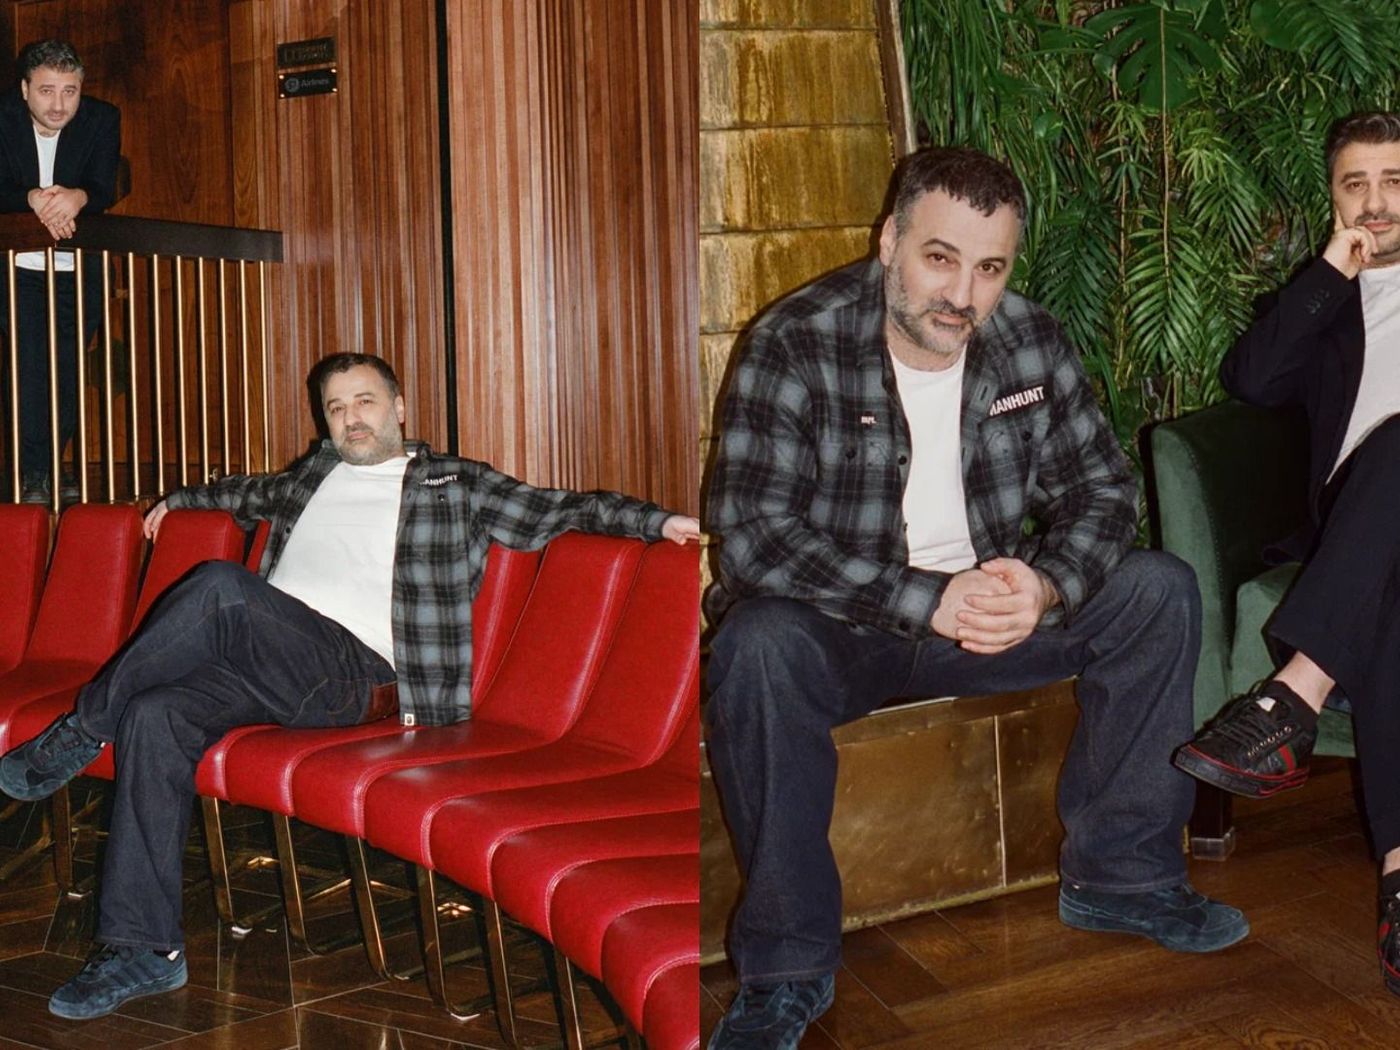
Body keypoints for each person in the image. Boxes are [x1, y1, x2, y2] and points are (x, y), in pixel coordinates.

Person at [703, 145, 1246, 1049]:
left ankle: (1123, 879)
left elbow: (1104, 491)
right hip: (850, 629)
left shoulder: (1029, 339)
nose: (962, 294)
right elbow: (754, 537)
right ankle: (786, 971)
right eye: (940, 258)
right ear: (888, 242)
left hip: (993, 614)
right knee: (757, 644)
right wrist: (924, 599)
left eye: (990, 268)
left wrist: (1044, 582)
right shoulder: (796, 341)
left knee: (1158, 589)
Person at [0, 352, 700, 1020]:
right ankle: (143, 949)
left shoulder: (453, 484)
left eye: (365, 401)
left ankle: (81, 728)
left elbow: (563, 508)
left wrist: (659, 521)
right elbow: (240, 493)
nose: (350, 418)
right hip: (271, 668)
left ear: (400, 407)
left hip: (358, 678)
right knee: (156, 714)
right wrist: (176, 499)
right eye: (336, 408)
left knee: (218, 586)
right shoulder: (311, 477)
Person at [1173, 111, 1400, 999]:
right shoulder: (1324, 302)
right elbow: (1250, 380)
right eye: (1356, 184)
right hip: (1363, 526)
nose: (1377, 202)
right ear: (1333, 198)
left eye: (1395, 181)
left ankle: (1291, 697)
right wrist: (1332, 271)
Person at [0, 39, 120, 504]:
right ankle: (34, 473)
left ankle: (53, 464)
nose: (58, 105)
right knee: (30, 370)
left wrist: (78, 197)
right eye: (46, 91)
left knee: (68, 372)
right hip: (19, 269)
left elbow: (103, 186)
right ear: (25, 88)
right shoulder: (3, 118)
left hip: (79, 269)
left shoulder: (101, 118)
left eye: (69, 91)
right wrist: (32, 199)